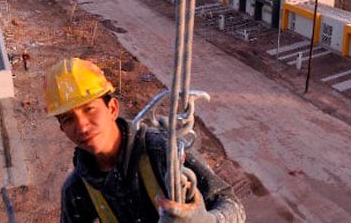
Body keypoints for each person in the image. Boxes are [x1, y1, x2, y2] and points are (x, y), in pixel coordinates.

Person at [44, 58, 245, 223]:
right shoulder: (78, 188)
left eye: (89, 109)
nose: (82, 126)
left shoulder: (162, 153)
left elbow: (232, 205)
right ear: (62, 128)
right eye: (68, 119)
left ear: (112, 108)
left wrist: (209, 220)